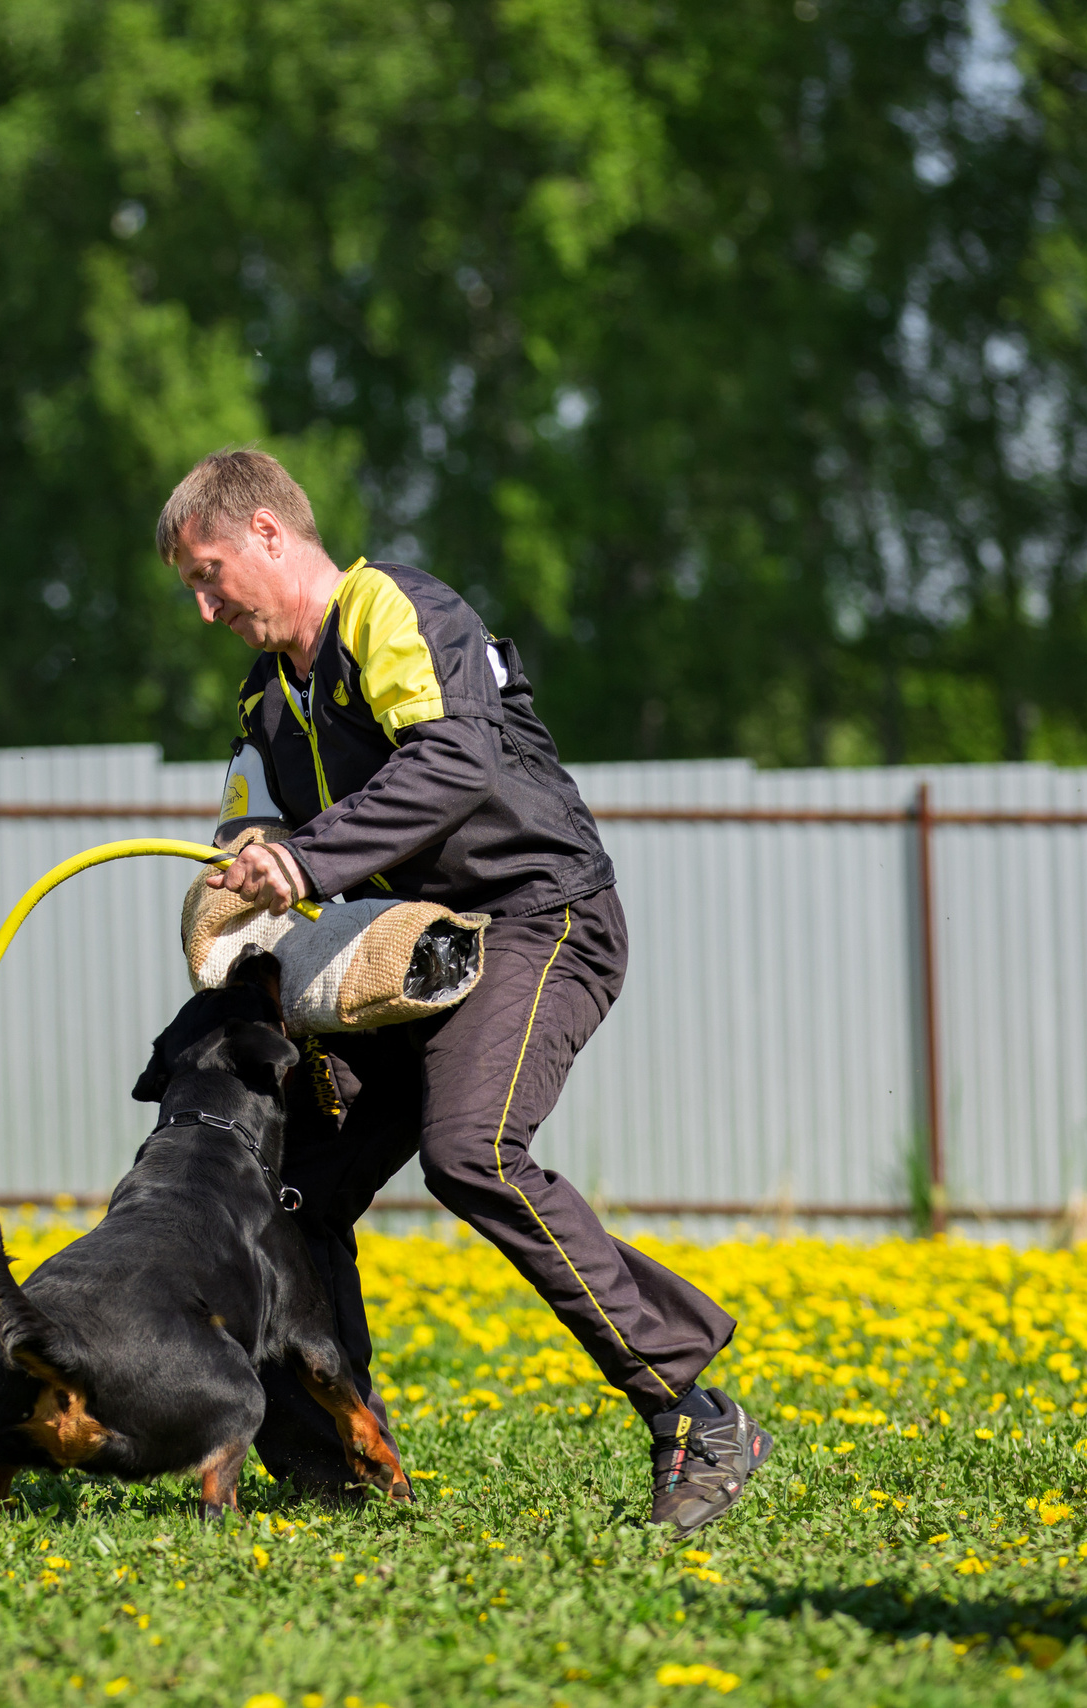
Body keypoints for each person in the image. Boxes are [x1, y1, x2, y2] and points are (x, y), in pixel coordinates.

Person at [157, 446, 770, 1535]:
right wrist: (240, 879)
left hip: (541, 917)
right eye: (190, 590)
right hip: (412, 953)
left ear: (266, 533)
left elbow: (454, 766)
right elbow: (246, 824)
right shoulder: (266, 700)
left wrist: (306, 862)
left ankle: (691, 1408)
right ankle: (331, 1456)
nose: (204, 608)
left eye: (209, 574)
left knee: (472, 1151)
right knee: (290, 1184)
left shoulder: (391, 610)